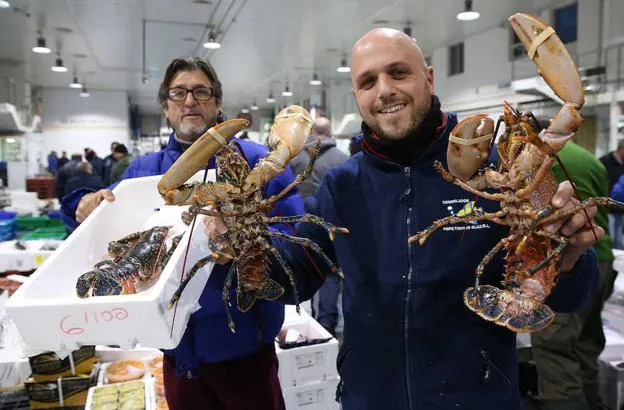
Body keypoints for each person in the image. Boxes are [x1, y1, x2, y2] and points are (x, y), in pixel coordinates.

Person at [203, 29, 601, 410]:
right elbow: (297, 280)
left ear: (428, 78)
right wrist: (242, 246)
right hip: (370, 398)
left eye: (399, 73)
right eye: (367, 81)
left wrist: (566, 260)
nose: (385, 90)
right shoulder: (342, 184)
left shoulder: (496, 173)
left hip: (480, 397)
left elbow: (571, 297)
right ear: (357, 96)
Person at [60, 57, 302, 410]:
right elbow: (96, 223)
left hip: (248, 355)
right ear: (166, 107)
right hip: (178, 358)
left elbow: (295, 234)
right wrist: (82, 203)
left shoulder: (261, 162)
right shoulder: (145, 172)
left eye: (202, 92)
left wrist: (254, 243)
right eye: (178, 93)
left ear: (218, 102)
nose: (190, 101)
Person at [527, 123, 616, 410]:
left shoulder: (535, 160)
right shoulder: (591, 159)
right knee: (588, 344)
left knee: (556, 353)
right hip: (601, 256)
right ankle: (596, 403)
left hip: (567, 261)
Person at [290, 116, 348, 335]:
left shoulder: (295, 159)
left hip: (300, 224)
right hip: (333, 224)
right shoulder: (342, 159)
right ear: (330, 131)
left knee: (304, 267)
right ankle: (327, 321)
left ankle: (307, 318)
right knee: (331, 273)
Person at [599, 136, 624, 249]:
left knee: (618, 238)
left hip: (621, 207)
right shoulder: (604, 161)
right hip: (608, 207)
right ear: (621, 149)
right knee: (611, 236)